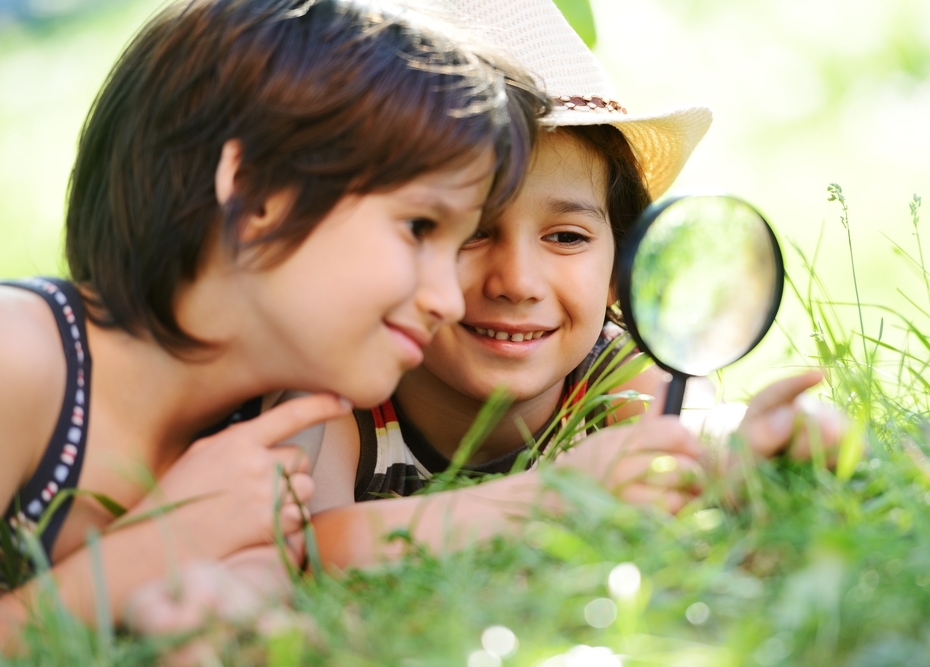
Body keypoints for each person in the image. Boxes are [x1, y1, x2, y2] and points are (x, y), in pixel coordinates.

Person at [0, 0, 550, 645]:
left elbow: (258, 597)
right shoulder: (23, 358)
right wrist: (157, 546)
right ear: (259, 195)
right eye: (419, 227)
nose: (449, 301)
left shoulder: (280, 423)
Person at [305, 0, 846, 569]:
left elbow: (691, 438)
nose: (517, 282)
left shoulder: (615, 371)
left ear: (619, 270)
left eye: (566, 237)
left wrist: (750, 439)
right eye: (471, 231)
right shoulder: (342, 385)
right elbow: (313, 549)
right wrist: (556, 495)